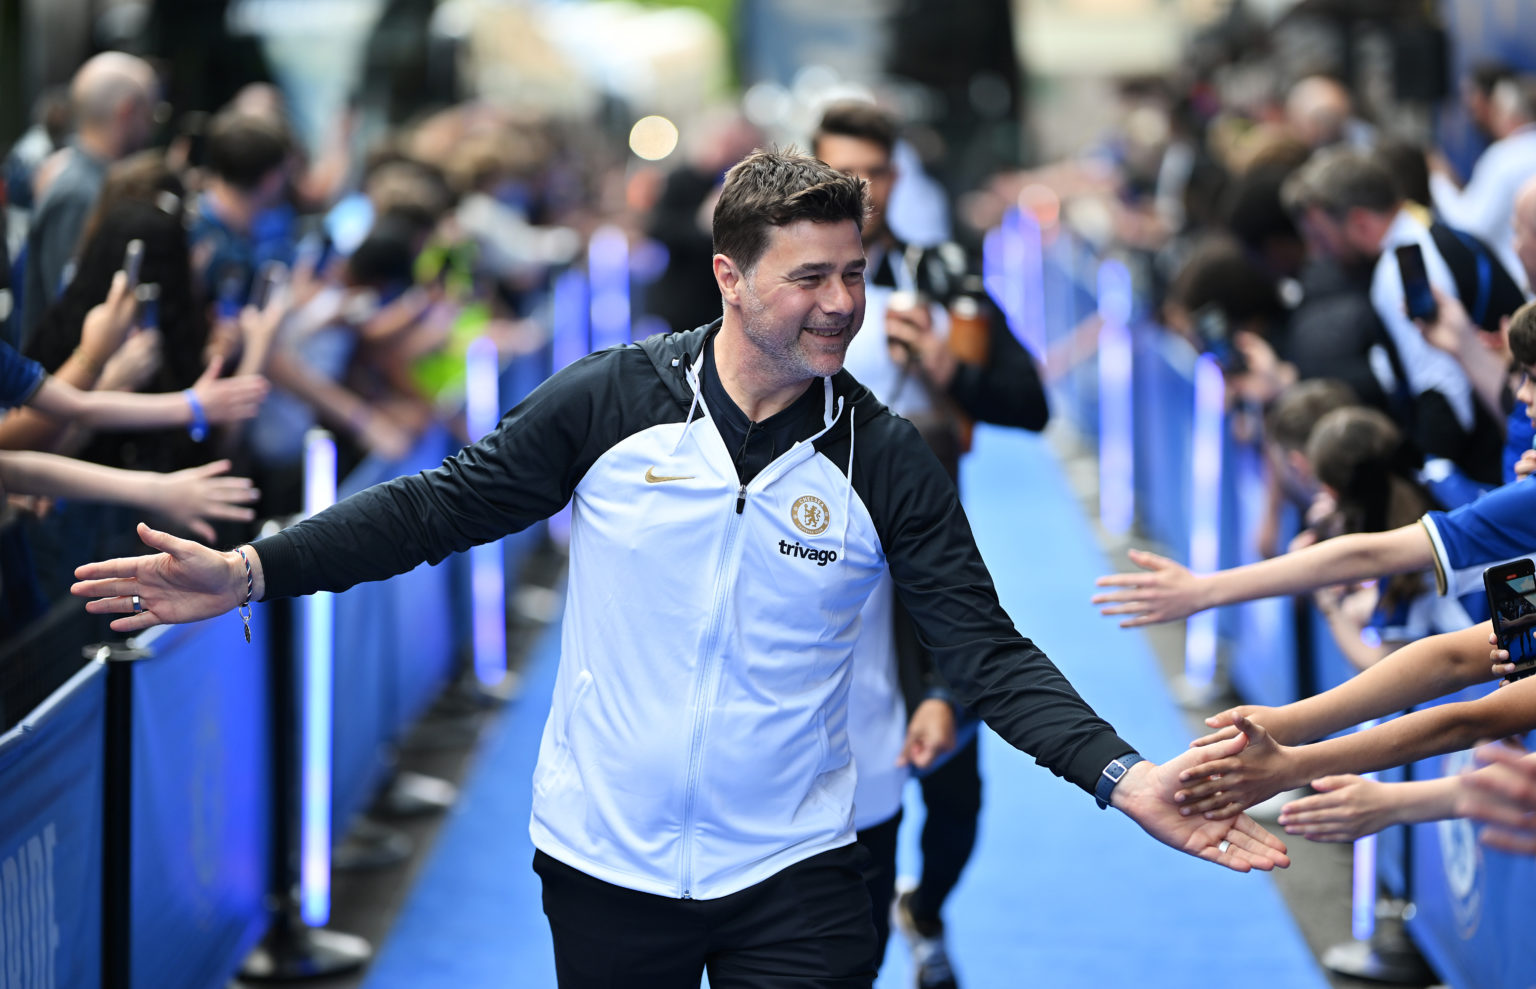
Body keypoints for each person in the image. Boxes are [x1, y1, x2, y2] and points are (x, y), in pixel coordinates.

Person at [73, 148, 1287, 989]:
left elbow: (989, 650)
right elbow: (439, 508)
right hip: (606, 855)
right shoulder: (613, 402)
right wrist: (250, 573)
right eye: (808, 276)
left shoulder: (888, 456)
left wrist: (1123, 776)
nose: (841, 304)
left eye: (853, 273)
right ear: (728, 275)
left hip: (804, 868)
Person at [812, 99, 1049, 989]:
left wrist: (947, 366)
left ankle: (928, 907)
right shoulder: (772, 284)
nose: (860, 192)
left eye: (874, 175)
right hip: (805, 568)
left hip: (923, 569)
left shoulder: (933, 277)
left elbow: (1028, 402)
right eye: (841, 173)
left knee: (955, 780)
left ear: (896, 181)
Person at [1091, 300, 1536, 630]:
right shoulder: (1462, 479)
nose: (1518, 395)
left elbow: (1368, 563)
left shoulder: (1514, 497)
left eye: (1530, 377)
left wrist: (1209, 590)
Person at [19, 52, 158, 346]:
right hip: (67, 381)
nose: (151, 127)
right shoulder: (79, 193)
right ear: (127, 111)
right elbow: (71, 310)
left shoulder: (91, 181)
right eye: (151, 113)